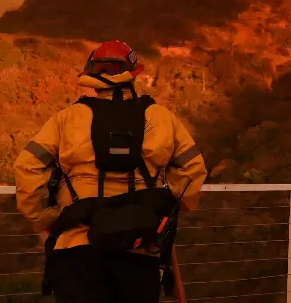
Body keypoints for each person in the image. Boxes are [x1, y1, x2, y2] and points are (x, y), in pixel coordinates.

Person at [14, 40, 207, 303]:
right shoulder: (162, 118)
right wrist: (163, 209)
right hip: (140, 246)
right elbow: (193, 170)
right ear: (133, 73)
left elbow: (28, 166)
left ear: (92, 74)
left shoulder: (67, 119)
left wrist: (45, 218)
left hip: (77, 245)